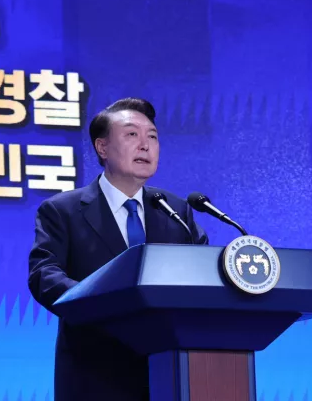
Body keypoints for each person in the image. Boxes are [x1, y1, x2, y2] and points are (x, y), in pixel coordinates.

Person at [27, 97, 208, 401]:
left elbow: (204, 270)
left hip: (172, 371)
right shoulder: (63, 210)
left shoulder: (174, 209)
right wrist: (103, 303)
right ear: (102, 148)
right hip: (96, 372)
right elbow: (44, 275)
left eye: (152, 136)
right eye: (131, 135)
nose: (145, 145)